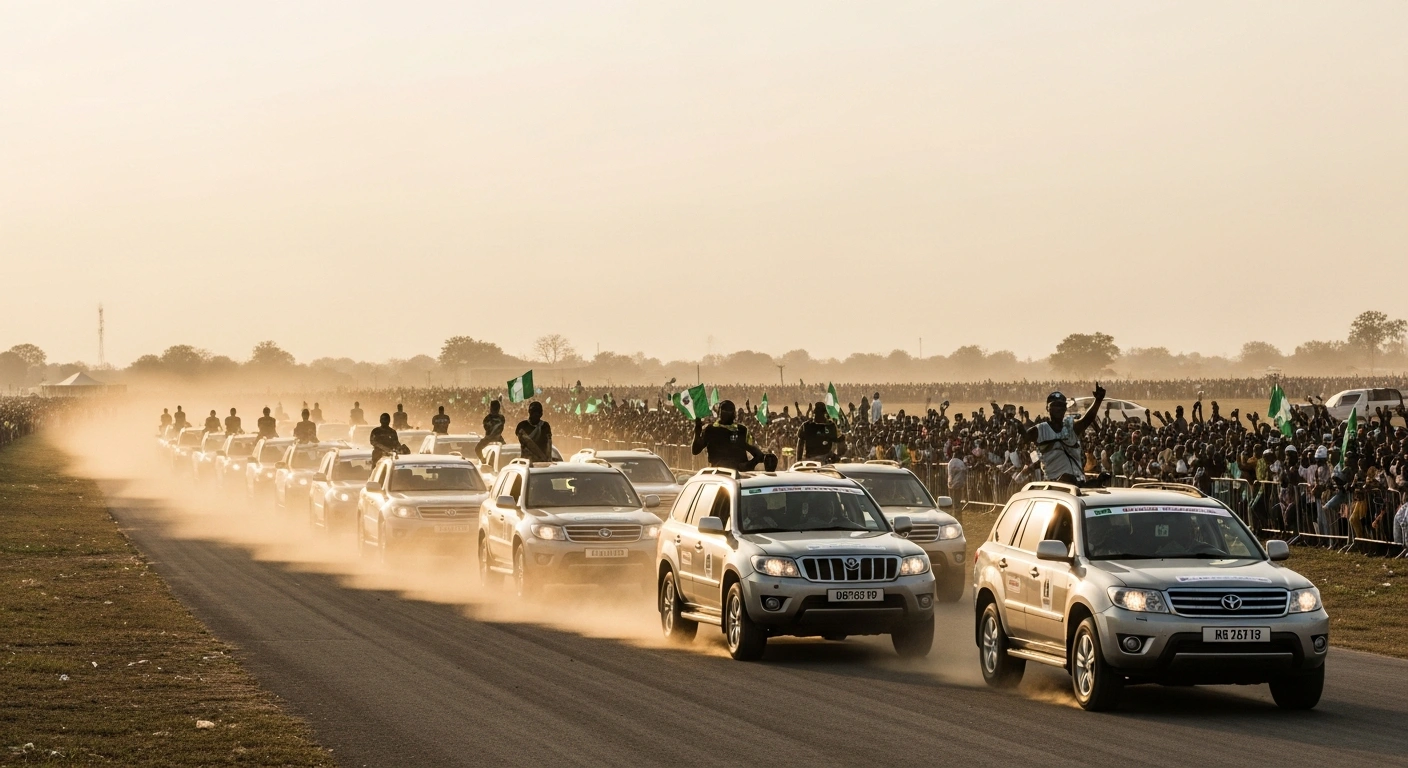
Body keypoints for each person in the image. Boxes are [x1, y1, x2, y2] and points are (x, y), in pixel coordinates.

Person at [1024, 384, 1106, 484]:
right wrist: (1034, 460)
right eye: (1054, 406)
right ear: (1047, 408)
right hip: (1054, 485)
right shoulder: (1039, 430)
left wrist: (1098, 401)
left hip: (1077, 483)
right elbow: (1022, 445)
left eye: (1061, 406)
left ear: (1065, 409)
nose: (1058, 409)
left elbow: (1086, 420)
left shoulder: (1071, 427)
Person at [692, 400, 766, 470]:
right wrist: (748, 465)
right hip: (735, 475)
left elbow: (695, 450)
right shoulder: (741, 430)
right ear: (734, 414)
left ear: (719, 413)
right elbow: (759, 456)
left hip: (719, 474)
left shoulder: (710, 430)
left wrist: (697, 432)